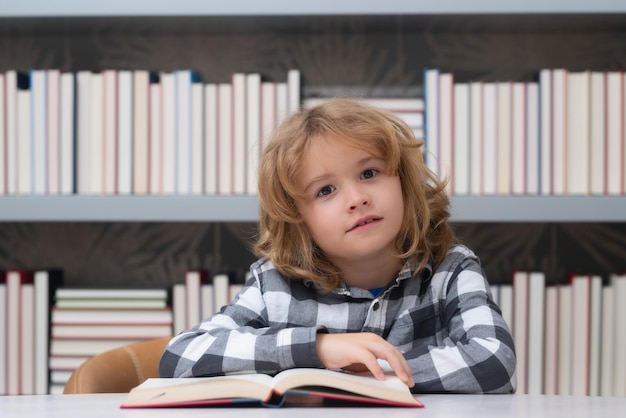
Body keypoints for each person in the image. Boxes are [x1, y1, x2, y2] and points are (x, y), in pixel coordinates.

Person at [159, 98, 517, 394]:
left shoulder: (450, 269)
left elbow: (492, 359)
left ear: (404, 183)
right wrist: (317, 349)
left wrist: (363, 380)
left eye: (369, 173)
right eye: (325, 190)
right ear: (298, 219)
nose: (357, 199)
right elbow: (180, 356)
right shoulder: (275, 286)